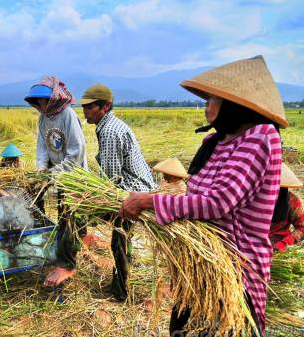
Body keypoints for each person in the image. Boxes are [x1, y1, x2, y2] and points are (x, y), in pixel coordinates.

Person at [119, 55, 287, 335]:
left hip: (235, 268)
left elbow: (219, 202)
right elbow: (192, 192)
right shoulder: (216, 141)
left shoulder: (260, 136)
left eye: (212, 99)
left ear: (236, 104)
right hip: (201, 264)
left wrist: (149, 201)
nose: (206, 105)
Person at [71, 83, 157, 302]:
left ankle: (122, 291)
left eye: (90, 107)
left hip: (131, 192)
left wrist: (90, 197)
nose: (85, 112)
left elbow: (112, 178)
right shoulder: (109, 125)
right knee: (121, 238)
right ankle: (123, 282)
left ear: (105, 106)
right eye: (85, 107)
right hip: (135, 187)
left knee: (117, 239)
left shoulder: (110, 131)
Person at [24, 76, 87, 287]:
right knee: (62, 216)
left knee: (70, 218)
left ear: (53, 99)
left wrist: (56, 172)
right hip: (57, 175)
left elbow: (76, 152)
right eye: (38, 102)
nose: (40, 105)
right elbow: (42, 147)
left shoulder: (68, 115)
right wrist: (41, 169)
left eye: (43, 100)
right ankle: (59, 251)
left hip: (74, 176)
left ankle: (68, 265)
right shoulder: (43, 119)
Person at [270, 163, 304, 252]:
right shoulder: (251, 197)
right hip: (252, 245)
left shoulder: (293, 201)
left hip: (278, 247)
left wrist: (284, 243)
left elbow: (302, 227)